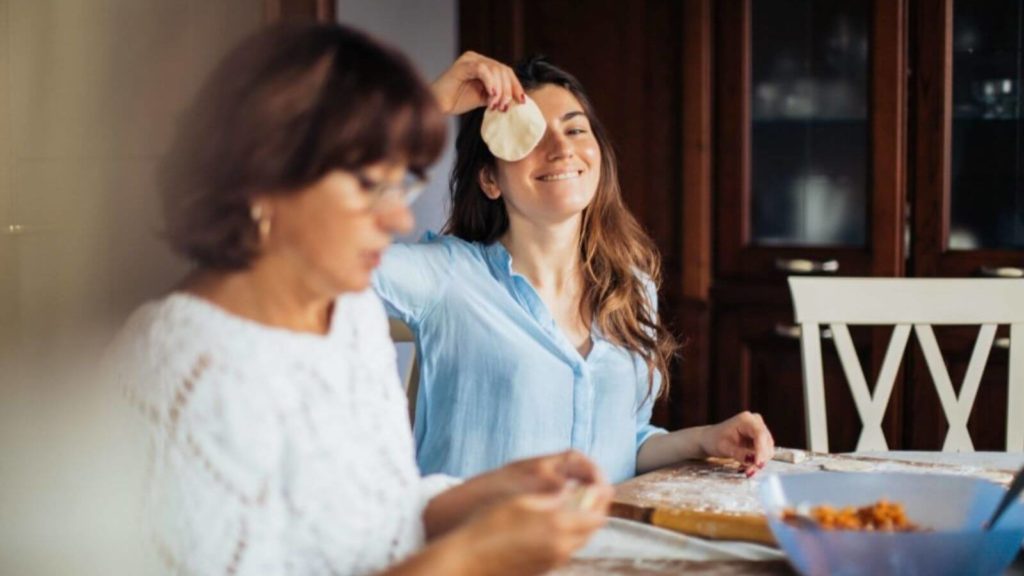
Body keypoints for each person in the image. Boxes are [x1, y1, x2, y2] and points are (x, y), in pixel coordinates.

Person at [112, 23, 612, 576]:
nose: (400, 217)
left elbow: (381, 515)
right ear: (264, 181)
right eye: (372, 185)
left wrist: (498, 491)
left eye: (404, 185)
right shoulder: (186, 365)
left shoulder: (347, 316)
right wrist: (474, 557)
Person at [373, 53, 775, 484]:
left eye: (575, 129)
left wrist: (703, 440)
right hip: (478, 546)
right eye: (529, 137)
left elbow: (623, 442)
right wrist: (425, 110)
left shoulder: (631, 289)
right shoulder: (444, 278)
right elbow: (301, 240)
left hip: (604, 546)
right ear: (490, 179)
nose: (561, 148)